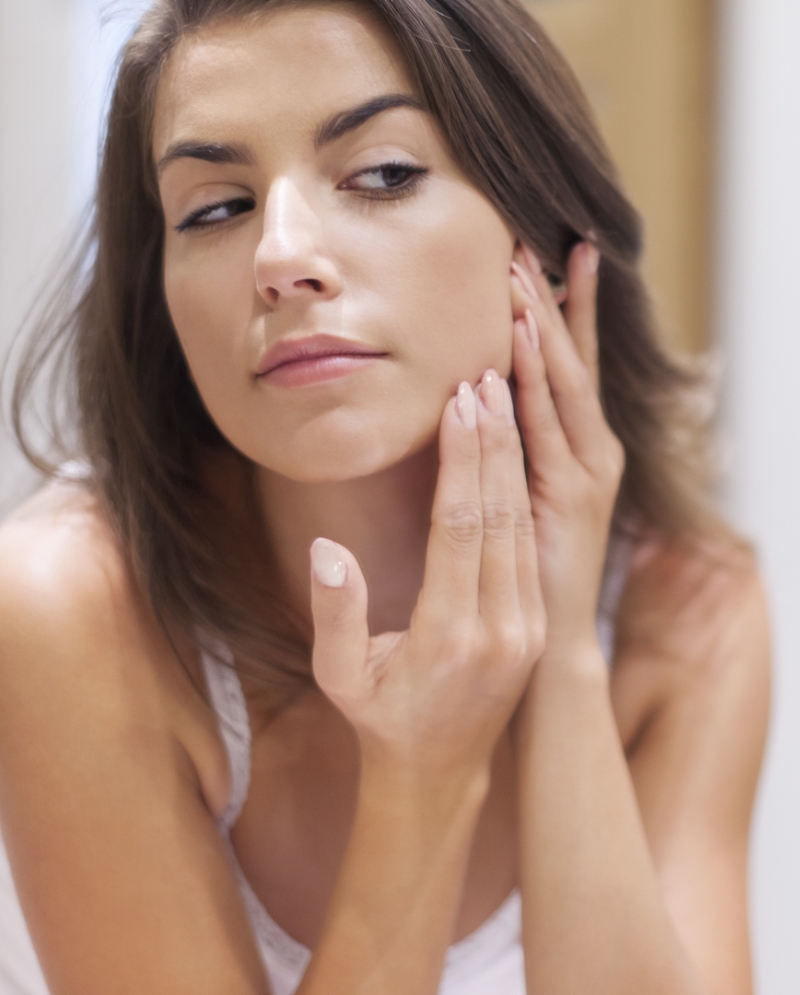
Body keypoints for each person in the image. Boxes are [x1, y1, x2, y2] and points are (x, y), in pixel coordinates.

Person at [0, 1, 770, 993]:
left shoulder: (689, 613)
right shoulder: (70, 607)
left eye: (383, 175)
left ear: (534, 239)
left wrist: (563, 656)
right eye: (216, 208)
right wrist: (421, 774)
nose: (280, 256)